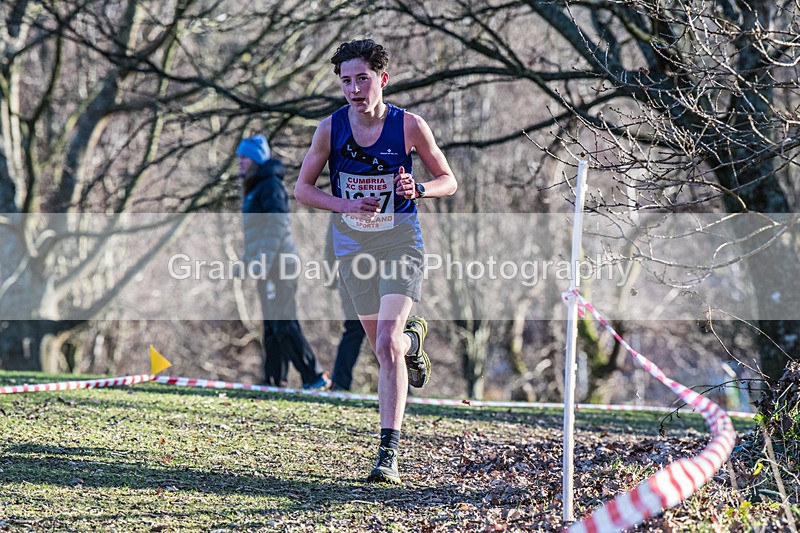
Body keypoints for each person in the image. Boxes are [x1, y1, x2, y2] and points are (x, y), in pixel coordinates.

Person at [294, 39, 457, 483]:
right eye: (346, 81)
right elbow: (302, 189)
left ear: (382, 79)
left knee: (386, 344)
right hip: (352, 249)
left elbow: (448, 179)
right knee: (386, 346)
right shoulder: (330, 129)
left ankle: (388, 452)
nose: (353, 89)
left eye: (362, 79)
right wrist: (342, 205)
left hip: (401, 242)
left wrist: (419, 189)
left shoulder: (409, 126)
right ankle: (413, 342)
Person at [237, 134, 329, 390]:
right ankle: (274, 380)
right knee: (271, 324)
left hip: (280, 265)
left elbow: (277, 226)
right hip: (266, 264)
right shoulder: (255, 186)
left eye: (244, 157)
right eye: (239, 158)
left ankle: (314, 376)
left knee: (284, 322)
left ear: (255, 159)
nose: (240, 162)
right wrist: (247, 262)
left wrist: (263, 260)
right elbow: (256, 232)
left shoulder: (270, 186)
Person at [325, 220, 368, 392]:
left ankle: (340, 382)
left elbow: (330, 241)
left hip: (354, 272)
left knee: (356, 330)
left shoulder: (342, 198)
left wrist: (330, 277)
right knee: (383, 330)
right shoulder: (342, 200)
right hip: (352, 274)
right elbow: (331, 240)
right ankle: (340, 381)